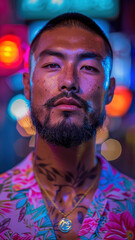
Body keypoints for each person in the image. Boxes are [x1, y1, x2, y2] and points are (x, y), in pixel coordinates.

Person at [0, 12, 135, 240]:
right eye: (53, 64)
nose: (69, 82)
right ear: (27, 86)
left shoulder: (130, 203)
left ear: (109, 90)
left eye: (88, 67)